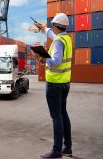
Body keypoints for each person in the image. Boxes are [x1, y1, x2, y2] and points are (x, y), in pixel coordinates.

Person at [34, 13, 73, 159]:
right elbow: (52, 34)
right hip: (65, 83)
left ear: (56, 26)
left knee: (56, 116)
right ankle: (67, 147)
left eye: (52, 26)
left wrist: (43, 57)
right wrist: (43, 28)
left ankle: (57, 151)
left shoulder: (58, 42)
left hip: (54, 84)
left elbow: (55, 61)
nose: (51, 28)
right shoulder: (66, 38)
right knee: (63, 113)